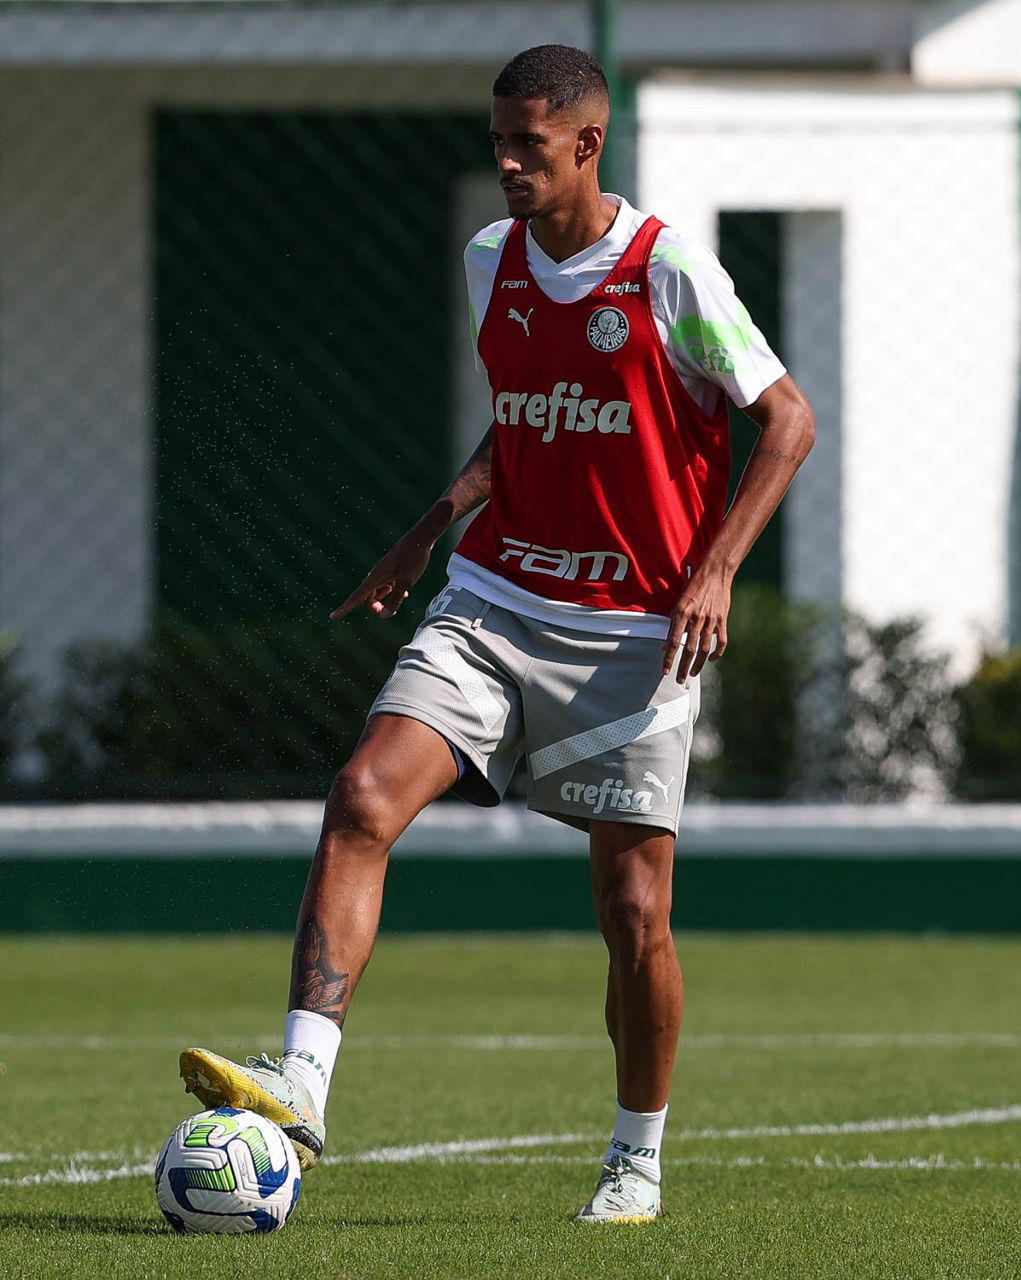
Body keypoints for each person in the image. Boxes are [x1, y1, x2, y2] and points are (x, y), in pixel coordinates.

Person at [180, 43, 815, 1223]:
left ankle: (634, 1157)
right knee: (362, 796)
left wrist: (717, 569)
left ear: (587, 142)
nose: (509, 162)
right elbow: (523, 425)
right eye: (498, 143)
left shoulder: (668, 268)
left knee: (633, 914)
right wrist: (429, 527)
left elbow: (785, 419)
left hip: (634, 628)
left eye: (529, 143)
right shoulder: (493, 261)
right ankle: (302, 1082)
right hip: (494, 596)